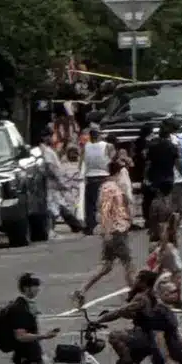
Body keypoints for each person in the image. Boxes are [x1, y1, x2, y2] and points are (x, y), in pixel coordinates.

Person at [71, 158, 135, 308]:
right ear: (118, 172)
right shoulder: (110, 188)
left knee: (106, 265)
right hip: (116, 231)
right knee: (128, 264)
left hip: (116, 230)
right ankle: (135, 294)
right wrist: (107, 231)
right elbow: (105, 211)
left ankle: (81, 290)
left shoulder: (110, 187)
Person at [39, 128, 82, 234]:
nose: (52, 138)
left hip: (53, 183)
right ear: (46, 137)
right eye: (50, 136)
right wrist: (58, 181)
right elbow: (50, 167)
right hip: (52, 183)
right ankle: (50, 229)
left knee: (58, 205)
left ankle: (76, 225)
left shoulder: (47, 149)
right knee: (53, 206)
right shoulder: (46, 151)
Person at [80, 124, 112, 235]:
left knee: (90, 205)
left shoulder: (86, 146)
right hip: (103, 176)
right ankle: (106, 224)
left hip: (90, 177)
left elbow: (82, 161)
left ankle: (90, 225)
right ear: (99, 135)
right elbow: (112, 159)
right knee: (104, 202)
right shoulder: (107, 146)